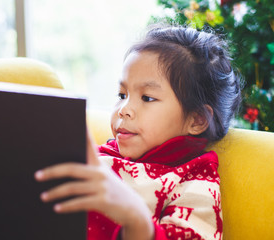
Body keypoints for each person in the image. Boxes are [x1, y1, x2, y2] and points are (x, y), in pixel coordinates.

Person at [34, 25, 241, 240]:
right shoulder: (99, 157)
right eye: (122, 94)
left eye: (147, 98)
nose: (123, 109)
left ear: (196, 119)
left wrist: (135, 216)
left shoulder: (194, 178)